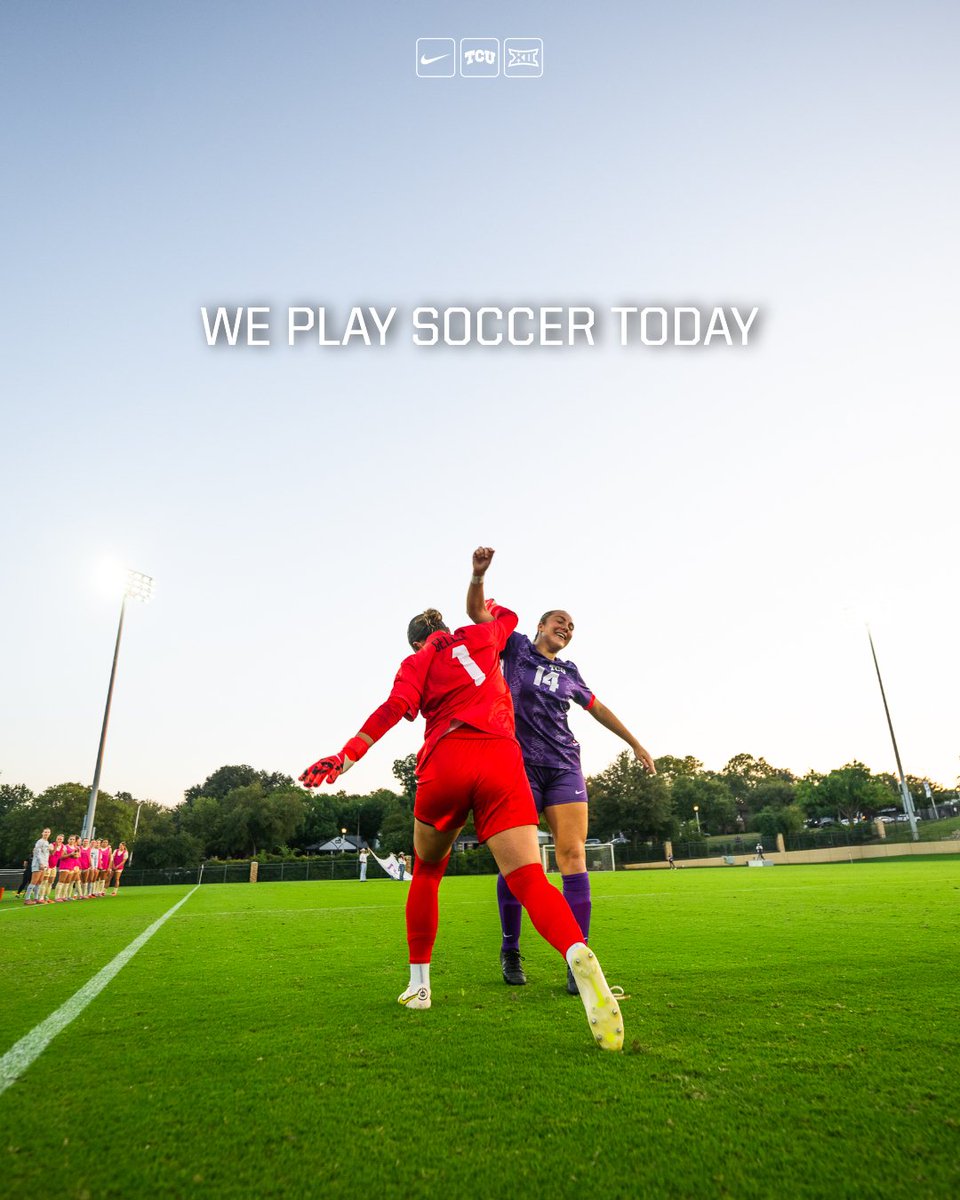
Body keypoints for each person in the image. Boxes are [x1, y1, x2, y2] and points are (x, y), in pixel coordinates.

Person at [300, 559, 624, 1051]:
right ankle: (576, 949)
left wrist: (346, 757)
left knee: (428, 872)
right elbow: (506, 614)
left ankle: (420, 986)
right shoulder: (484, 636)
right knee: (530, 877)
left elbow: (392, 711)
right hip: (501, 760)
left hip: (447, 760)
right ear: (448, 627)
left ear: (413, 642)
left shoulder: (416, 662)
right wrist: (480, 590)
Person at [465, 547, 656, 993]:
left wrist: (634, 742)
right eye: (560, 622)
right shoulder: (513, 648)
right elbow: (476, 612)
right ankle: (511, 948)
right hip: (518, 766)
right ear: (540, 626)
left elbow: (598, 708)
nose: (566, 629)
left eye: (571, 627)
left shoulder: (570, 671)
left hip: (564, 766)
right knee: (521, 865)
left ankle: (579, 961)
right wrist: (479, 576)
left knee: (573, 857)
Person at [23, 828, 53, 906]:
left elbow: (46, 855)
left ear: (50, 833)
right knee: (34, 881)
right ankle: (27, 899)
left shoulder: (47, 842)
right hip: (38, 864)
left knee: (39, 882)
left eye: (48, 832)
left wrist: (46, 864)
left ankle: (36, 898)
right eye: (45, 832)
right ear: (42, 833)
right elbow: (37, 852)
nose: (46, 833)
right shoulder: (40, 841)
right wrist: (41, 863)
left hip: (44, 864)